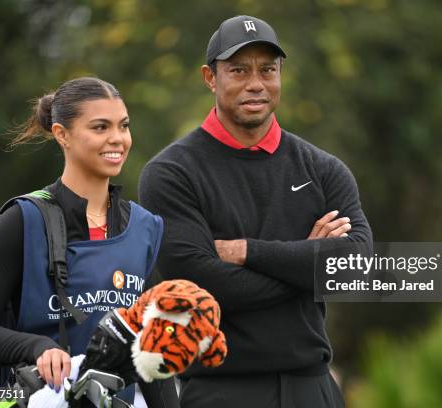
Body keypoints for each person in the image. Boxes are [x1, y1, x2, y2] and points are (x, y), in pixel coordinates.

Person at [139, 15, 372, 408]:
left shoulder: (323, 168)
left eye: (268, 70)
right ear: (210, 78)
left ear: (281, 74)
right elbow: (203, 288)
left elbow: (356, 266)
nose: (255, 84)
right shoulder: (171, 173)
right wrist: (307, 265)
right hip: (222, 391)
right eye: (238, 70)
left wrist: (249, 252)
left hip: (312, 388)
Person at [0, 77, 178, 407]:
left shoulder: (145, 228)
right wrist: (37, 347)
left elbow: (148, 346)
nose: (117, 138)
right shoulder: (23, 219)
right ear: (62, 135)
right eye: (100, 127)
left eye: (123, 126)